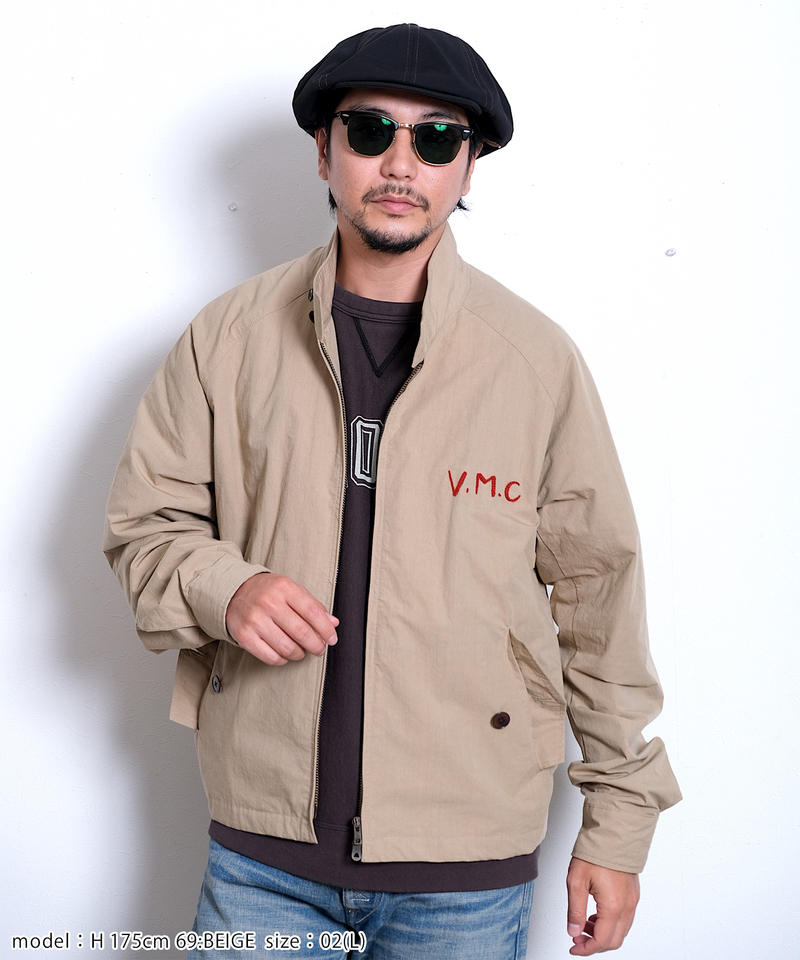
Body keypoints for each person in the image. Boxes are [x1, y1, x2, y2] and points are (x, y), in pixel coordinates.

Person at [103, 22, 681, 959]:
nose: (401, 163)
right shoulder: (226, 341)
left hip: (466, 867)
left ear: (469, 166)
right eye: (370, 131)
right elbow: (145, 527)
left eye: (437, 138)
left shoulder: (533, 364)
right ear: (323, 152)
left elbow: (598, 597)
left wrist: (619, 825)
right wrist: (225, 588)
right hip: (262, 861)